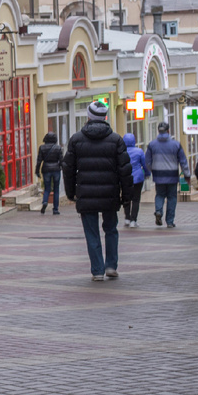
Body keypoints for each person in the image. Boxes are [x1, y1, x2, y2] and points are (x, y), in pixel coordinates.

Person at [62, 100, 132, 281]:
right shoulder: (116, 139)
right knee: (111, 229)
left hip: (86, 194)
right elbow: (125, 170)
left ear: (89, 117)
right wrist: (127, 196)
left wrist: (71, 193)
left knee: (91, 233)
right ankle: (111, 266)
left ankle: (97, 271)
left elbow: (68, 169)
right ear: (105, 118)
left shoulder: (76, 139)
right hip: (110, 193)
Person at [145, 121, 189, 228]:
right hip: (172, 175)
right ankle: (169, 221)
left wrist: (152, 170)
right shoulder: (176, 144)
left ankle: (158, 211)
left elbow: (147, 161)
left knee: (159, 195)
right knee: (172, 197)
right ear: (168, 131)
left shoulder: (152, 145)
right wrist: (187, 174)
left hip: (158, 175)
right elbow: (183, 161)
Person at [35, 131, 63, 215]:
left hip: (46, 169)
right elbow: (61, 160)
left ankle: (45, 202)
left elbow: (39, 160)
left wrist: (37, 171)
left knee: (47, 188)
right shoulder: (58, 148)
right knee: (56, 189)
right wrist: (62, 168)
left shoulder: (42, 148)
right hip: (56, 169)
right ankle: (55, 209)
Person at [123, 133, 147, 227]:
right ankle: (133, 220)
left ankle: (127, 218)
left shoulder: (121, 151)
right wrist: (147, 173)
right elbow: (144, 164)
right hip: (137, 178)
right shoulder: (139, 151)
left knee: (126, 198)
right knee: (136, 199)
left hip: (125, 178)